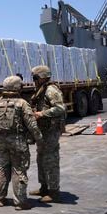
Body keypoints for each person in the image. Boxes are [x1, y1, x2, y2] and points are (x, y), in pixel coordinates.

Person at [0, 75, 43, 210]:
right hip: (17, 141)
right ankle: (20, 202)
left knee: (2, 168)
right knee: (19, 169)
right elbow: (31, 124)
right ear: (17, 87)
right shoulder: (22, 103)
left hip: (1, 140)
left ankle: (0, 199)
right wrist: (39, 139)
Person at [29, 65, 66, 203]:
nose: (34, 80)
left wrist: (42, 113)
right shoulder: (41, 89)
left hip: (51, 131)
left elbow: (60, 108)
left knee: (51, 160)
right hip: (43, 131)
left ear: (42, 77)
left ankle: (54, 191)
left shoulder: (51, 90)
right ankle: (44, 187)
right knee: (41, 159)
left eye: (35, 78)